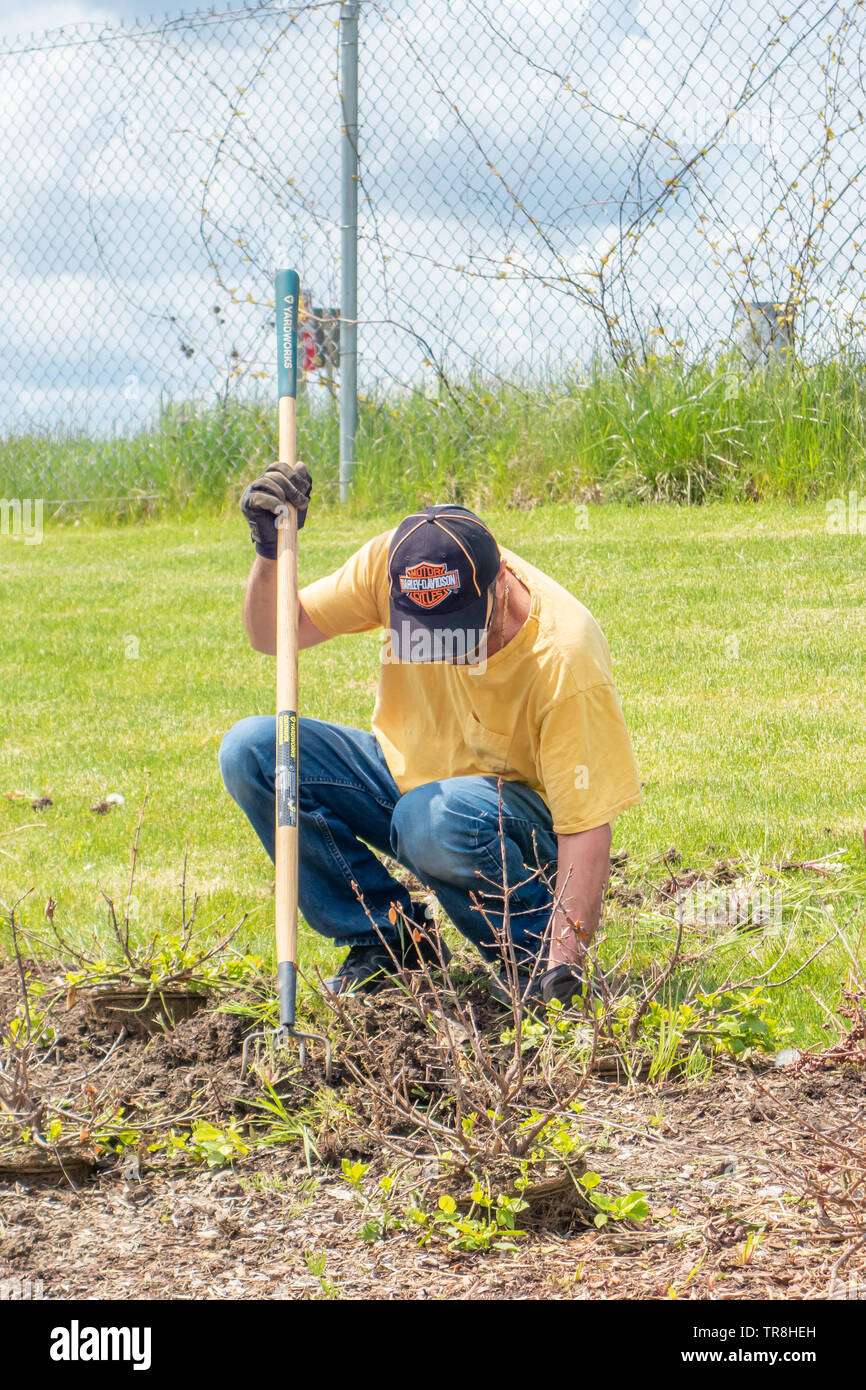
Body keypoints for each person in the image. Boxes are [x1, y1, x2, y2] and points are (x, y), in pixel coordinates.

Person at [219, 461, 642, 1005]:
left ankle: (529, 961)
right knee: (254, 751)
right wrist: (270, 552)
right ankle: (390, 942)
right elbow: (270, 634)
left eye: (459, 632)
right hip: (404, 778)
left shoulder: (564, 656)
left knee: (430, 818)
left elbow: (585, 826)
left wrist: (563, 964)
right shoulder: (394, 564)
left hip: (507, 826)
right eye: (427, 635)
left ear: (500, 583)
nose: (442, 651)